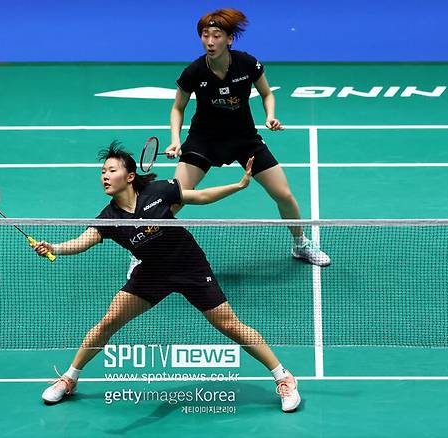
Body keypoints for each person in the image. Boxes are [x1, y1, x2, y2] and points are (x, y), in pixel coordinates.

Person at [34, 142, 301, 412]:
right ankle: (70, 378)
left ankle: (284, 377)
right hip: (152, 272)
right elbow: (84, 240)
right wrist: (55, 248)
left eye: (111, 170)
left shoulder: (159, 191)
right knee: (109, 322)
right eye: (102, 171)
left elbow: (201, 196)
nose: (104, 175)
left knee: (230, 325)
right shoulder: (110, 217)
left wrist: (238, 186)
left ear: (129, 176)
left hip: (189, 267)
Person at [164, 8, 330, 267]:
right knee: (174, 198)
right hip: (203, 139)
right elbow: (178, 108)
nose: (210, 41)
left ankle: (301, 243)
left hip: (244, 138)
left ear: (229, 39)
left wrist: (270, 115)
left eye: (216, 35)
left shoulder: (247, 63)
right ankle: (143, 253)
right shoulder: (194, 72)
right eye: (205, 35)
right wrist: (175, 139)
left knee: (283, 194)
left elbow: (267, 93)